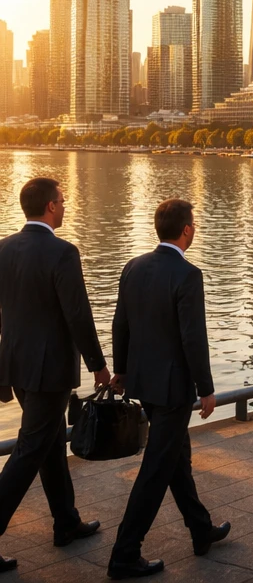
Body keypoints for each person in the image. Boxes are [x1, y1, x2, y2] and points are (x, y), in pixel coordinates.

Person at [107, 200, 229, 579]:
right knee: (156, 469)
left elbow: (120, 324)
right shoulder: (188, 274)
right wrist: (205, 389)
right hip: (174, 388)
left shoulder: (134, 267)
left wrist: (123, 371)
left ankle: (200, 529)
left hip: (144, 382)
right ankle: (125, 554)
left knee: (176, 458)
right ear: (187, 230)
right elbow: (194, 337)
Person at [0, 178, 111, 574]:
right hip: (49, 371)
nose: (65, 207)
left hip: (17, 366)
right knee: (31, 448)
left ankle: (66, 522)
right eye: (62, 201)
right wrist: (98, 365)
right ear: (49, 207)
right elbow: (77, 314)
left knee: (47, 445)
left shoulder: (4, 248)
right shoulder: (63, 252)